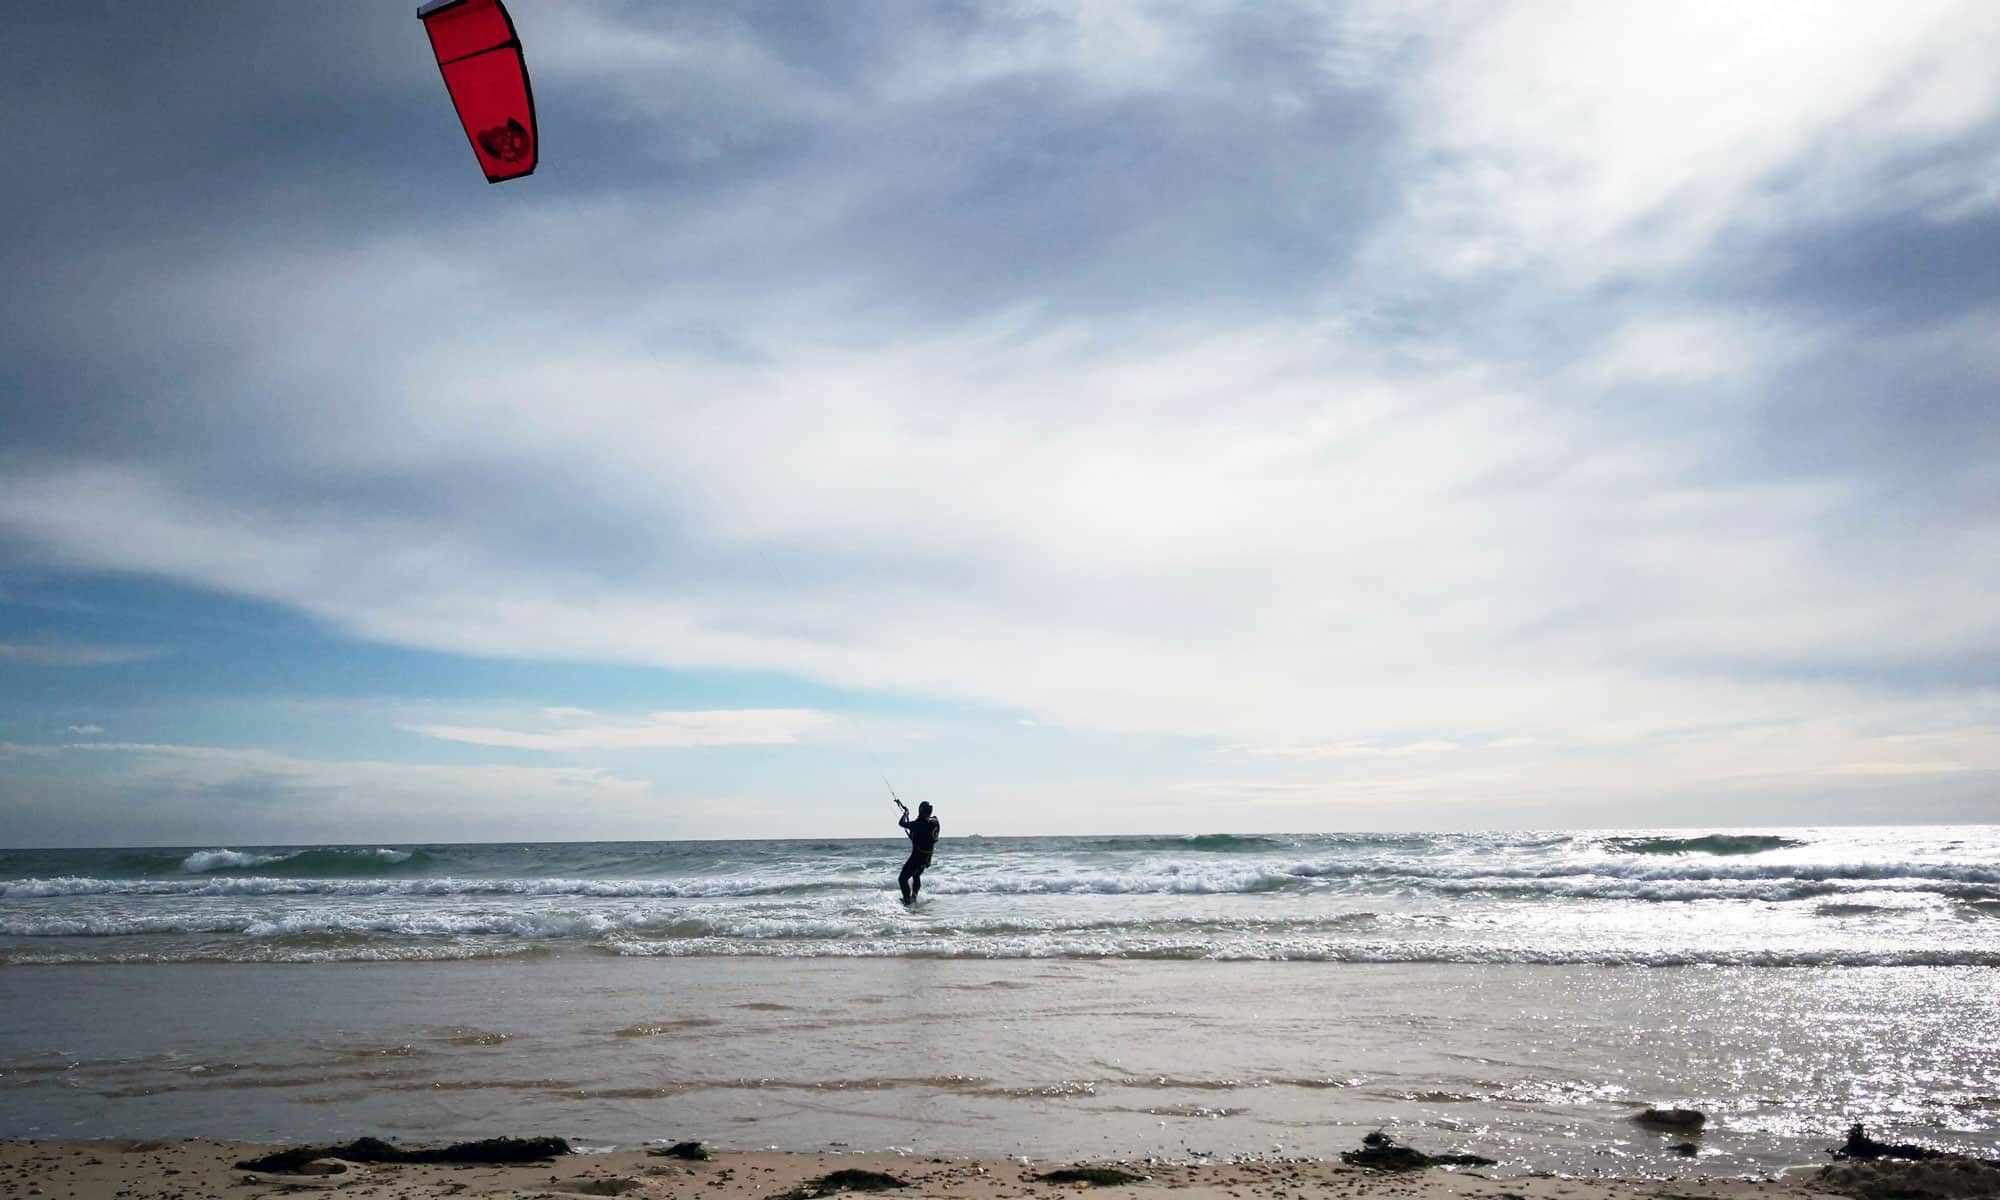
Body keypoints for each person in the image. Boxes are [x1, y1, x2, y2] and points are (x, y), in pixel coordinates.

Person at [894, 798, 941, 905]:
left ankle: (907, 900)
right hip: (927, 857)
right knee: (916, 876)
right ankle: (914, 897)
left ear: (921, 810)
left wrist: (906, 813)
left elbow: (902, 823)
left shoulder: (919, 824)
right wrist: (914, 835)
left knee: (902, 879)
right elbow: (924, 835)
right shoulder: (935, 821)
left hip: (917, 857)